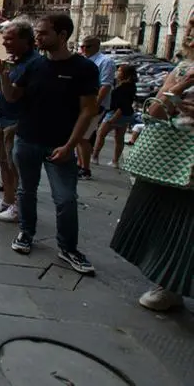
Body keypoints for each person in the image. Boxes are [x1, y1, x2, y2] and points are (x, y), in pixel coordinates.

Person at [0, 14, 99, 275]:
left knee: (65, 199)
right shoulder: (34, 66)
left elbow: (88, 111)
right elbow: (12, 98)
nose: (37, 38)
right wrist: (4, 78)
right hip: (28, 139)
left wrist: (70, 146)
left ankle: (68, 247)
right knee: (25, 191)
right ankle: (26, 233)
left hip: (61, 144)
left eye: (43, 33)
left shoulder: (84, 69)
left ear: (63, 35)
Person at [110, 17, 194, 311]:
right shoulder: (183, 68)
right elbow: (154, 112)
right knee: (171, 220)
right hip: (173, 158)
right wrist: (182, 86)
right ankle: (168, 284)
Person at [0, 21, 40, 223]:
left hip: (17, 119)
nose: (5, 42)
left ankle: (17, 206)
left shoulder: (34, 63)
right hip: (3, 116)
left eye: (9, 38)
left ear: (26, 40)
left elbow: (19, 95)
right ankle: (7, 200)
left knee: (14, 165)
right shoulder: (15, 61)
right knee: (3, 162)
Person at [76, 36, 116, 180]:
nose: (84, 49)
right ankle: (80, 165)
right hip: (83, 103)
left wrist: (94, 105)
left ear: (97, 46)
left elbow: (105, 85)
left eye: (88, 46)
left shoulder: (105, 62)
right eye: (83, 46)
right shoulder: (84, 61)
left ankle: (85, 168)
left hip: (94, 105)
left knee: (83, 136)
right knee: (79, 136)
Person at [92, 64, 137, 167]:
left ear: (126, 74)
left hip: (116, 113)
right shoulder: (128, 85)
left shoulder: (125, 87)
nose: (117, 73)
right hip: (126, 114)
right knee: (119, 137)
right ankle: (115, 161)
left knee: (101, 134)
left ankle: (95, 157)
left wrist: (113, 119)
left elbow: (123, 105)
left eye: (120, 71)